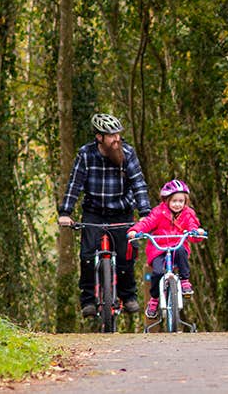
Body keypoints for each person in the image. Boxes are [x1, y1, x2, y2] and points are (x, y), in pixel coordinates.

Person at [58, 113, 152, 317]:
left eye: (118, 134)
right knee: (87, 256)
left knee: (127, 254)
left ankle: (128, 296)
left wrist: (145, 213)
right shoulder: (86, 154)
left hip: (122, 211)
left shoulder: (127, 153)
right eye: (111, 136)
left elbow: (138, 184)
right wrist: (65, 212)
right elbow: (75, 184)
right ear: (99, 137)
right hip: (94, 212)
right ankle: (89, 300)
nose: (116, 139)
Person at [127, 179, 206, 318]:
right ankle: (154, 299)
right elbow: (147, 223)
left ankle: (184, 281)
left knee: (182, 250)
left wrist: (196, 232)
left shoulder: (188, 214)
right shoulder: (159, 212)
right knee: (157, 273)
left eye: (181, 201)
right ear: (167, 200)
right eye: (174, 201)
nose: (178, 204)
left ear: (185, 202)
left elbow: (193, 226)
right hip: (159, 250)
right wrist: (135, 231)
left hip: (177, 247)